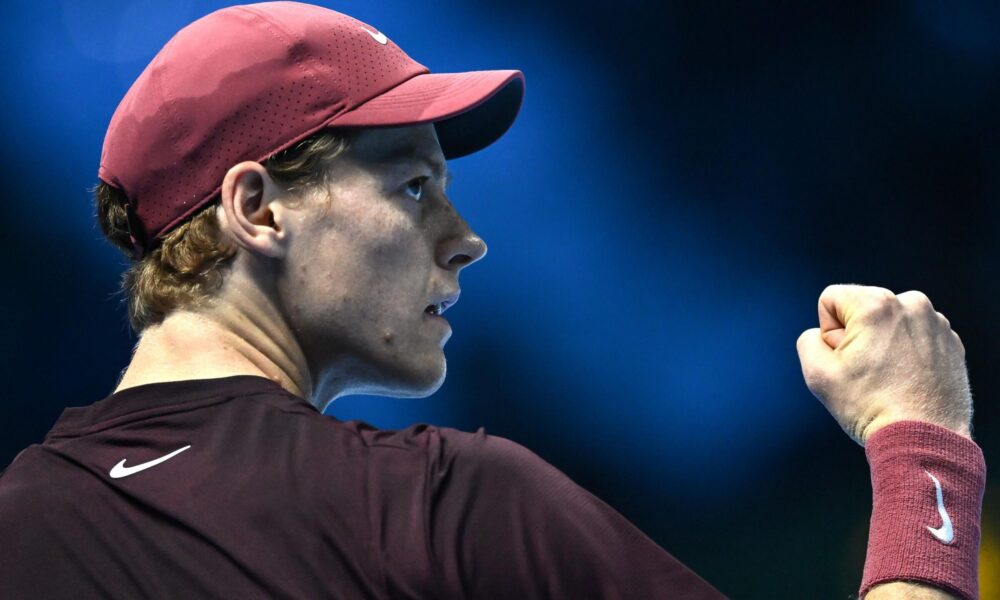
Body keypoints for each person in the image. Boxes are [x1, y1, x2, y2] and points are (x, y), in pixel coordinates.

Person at [0, 2, 985, 599]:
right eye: (412, 187)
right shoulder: (439, 504)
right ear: (257, 207)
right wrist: (918, 445)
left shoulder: (22, 524)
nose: (464, 238)